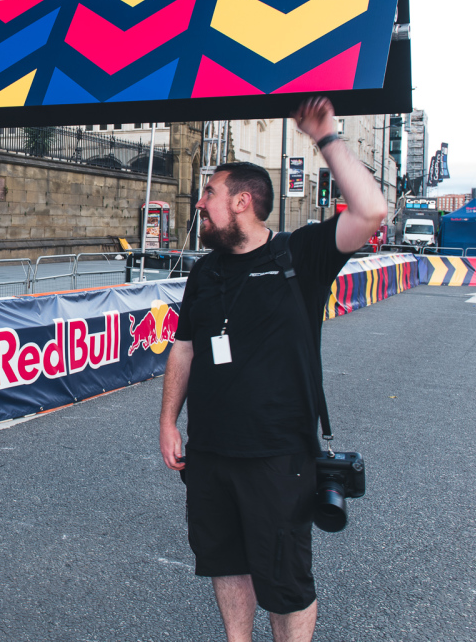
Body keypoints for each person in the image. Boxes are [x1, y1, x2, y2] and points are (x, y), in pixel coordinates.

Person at [158, 96, 386, 642]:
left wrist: (325, 137)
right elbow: (184, 347)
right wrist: (169, 421)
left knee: (284, 580)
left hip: (278, 455)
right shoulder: (205, 273)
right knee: (225, 562)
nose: (199, 203)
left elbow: (371, 212)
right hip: (210, 452)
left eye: (208, 193)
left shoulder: (300, 256)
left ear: (241, 201)